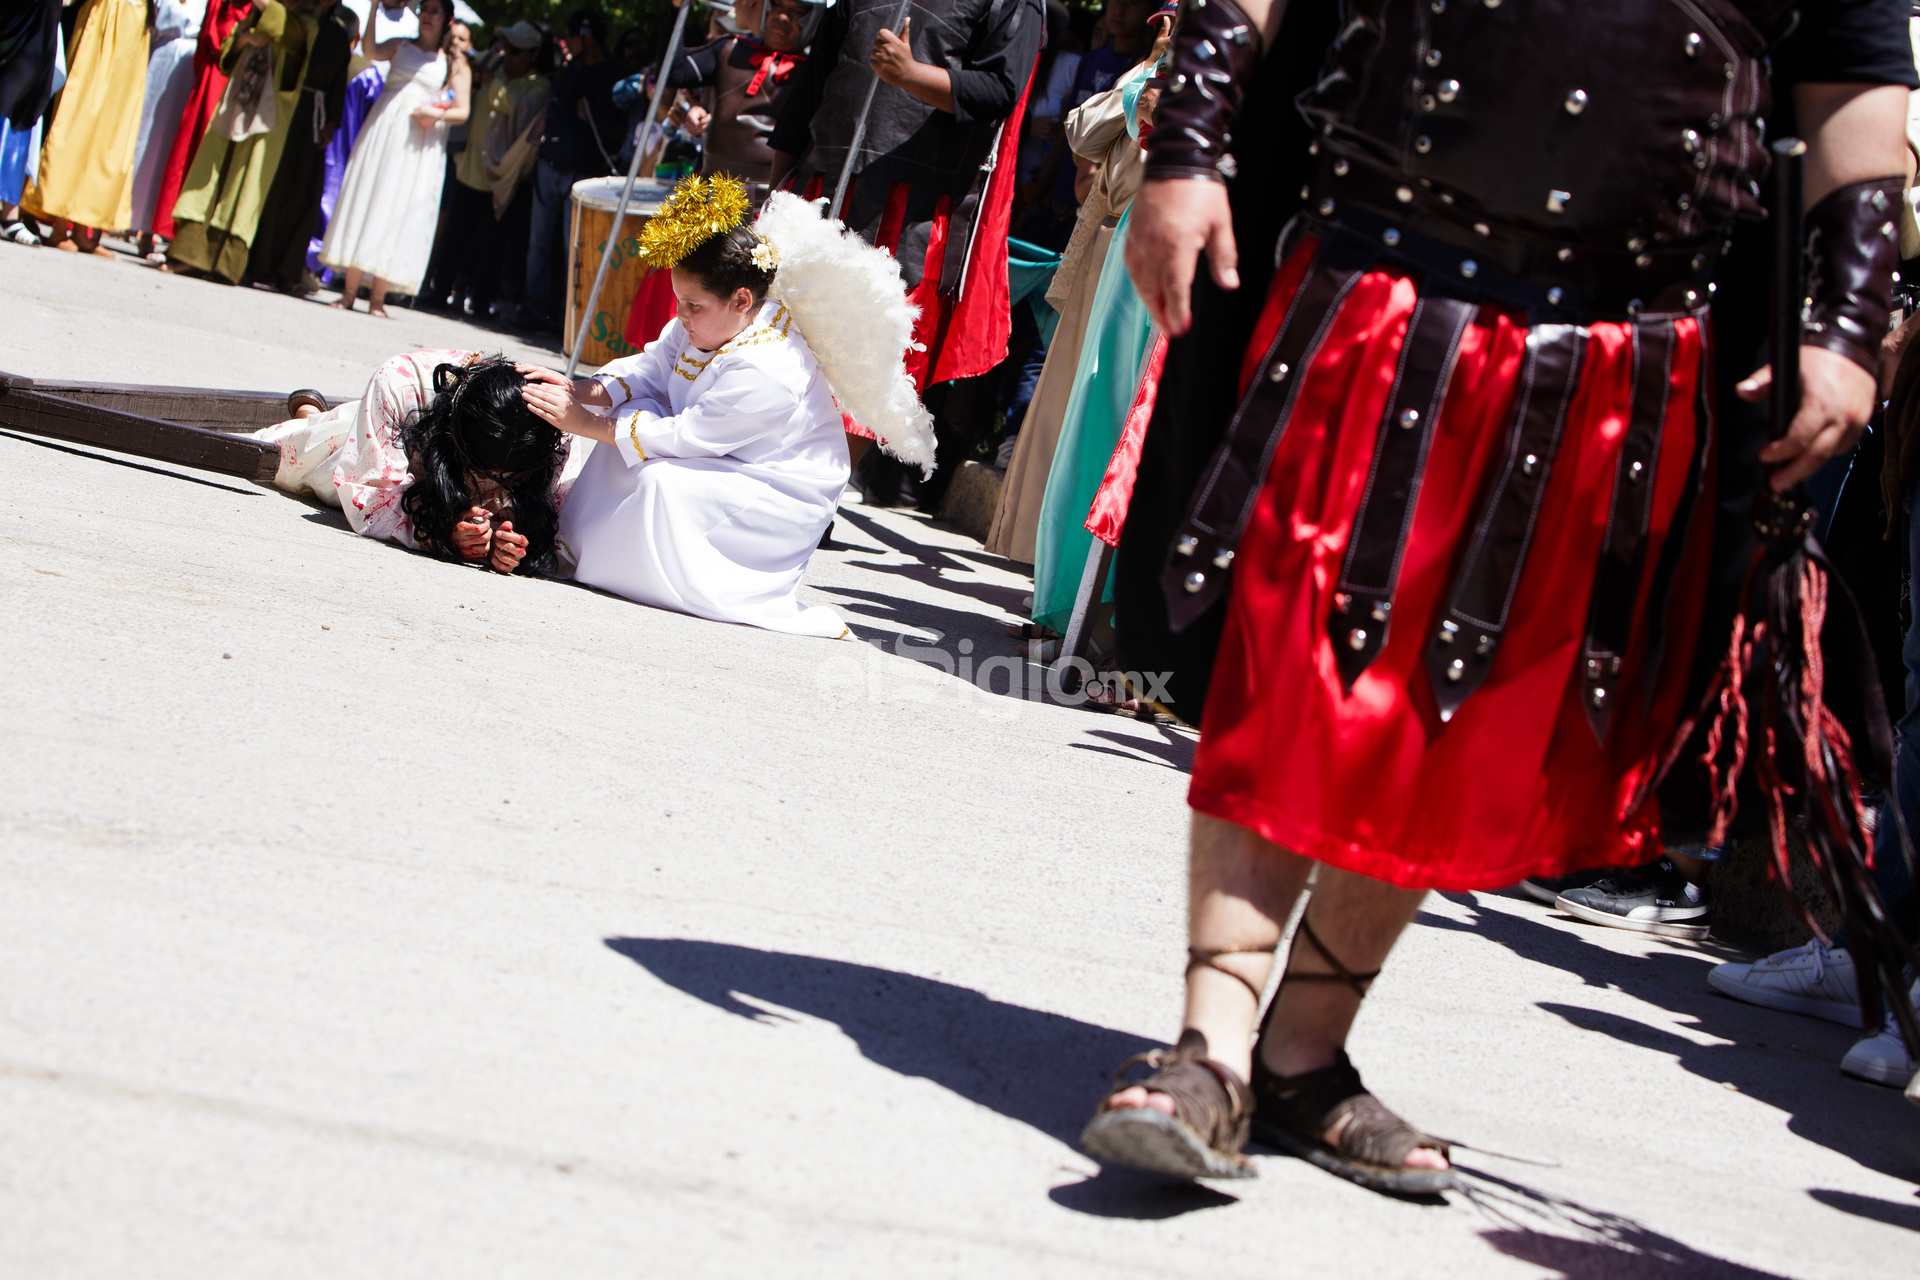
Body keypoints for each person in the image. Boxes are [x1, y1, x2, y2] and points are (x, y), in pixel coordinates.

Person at [1076, 0, 1915, 1189]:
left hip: (1625, 352)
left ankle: (1305, 1053)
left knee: (1456, 707)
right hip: (1381, 268)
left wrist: (1850, 319)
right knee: (1298, 651)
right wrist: (1189, 140)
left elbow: (1852, 82)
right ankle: (1210, 1047)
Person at [518, 175, 933, 636]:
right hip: (727, 455)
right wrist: (578, 391)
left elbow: (689, 436)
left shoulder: (770, 365)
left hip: (777, 487)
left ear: (741, 299)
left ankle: (619, 566)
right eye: (679, 301)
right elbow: (651, 369)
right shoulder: (712, 322)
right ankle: (575, 548)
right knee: (629, 433)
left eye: (692, 305)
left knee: (658, 482)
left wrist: (581, 422)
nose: (681, 315)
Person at [768, 0, 1045, 504]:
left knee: (865, 357)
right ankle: (761, 480)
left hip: (911, 208)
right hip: (823, 181)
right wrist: (775, 194)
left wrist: (911, 75)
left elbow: (1000, 90)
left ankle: (810, 501)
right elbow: (812, 85)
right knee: (784, 337)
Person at [987, 3, 1164, 566]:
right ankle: (1046, 566)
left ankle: (1083, 580)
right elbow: (1082, 131)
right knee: (1068, 399)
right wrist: (1149, 67)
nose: (1165, 34)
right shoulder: (1147, 75)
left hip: (1147, 253)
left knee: (1111, 406)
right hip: (1102, 248)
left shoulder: (1202, 88)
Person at [256, 352, 581, 573]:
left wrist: (515, 544)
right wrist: (439, 532)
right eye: (482, 470)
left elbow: (560, 529)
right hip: (393, 450)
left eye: (510, 476)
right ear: (454, 432)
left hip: (389, 436)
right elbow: (367, 495)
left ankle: (325, 416)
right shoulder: (401, 383)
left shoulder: (557, 428)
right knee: (307, 460)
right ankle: (310, 417)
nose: (491, 483)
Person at [320, 0, 470, 314]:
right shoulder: (400, 44)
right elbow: (370, 50)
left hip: (417, 140)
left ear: (447, 19)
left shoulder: (452, 61)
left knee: (398, 207)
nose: (427, 16)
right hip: (383, 128)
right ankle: (349, 292)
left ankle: (378, 297)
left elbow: (462, 110)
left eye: (435, 11)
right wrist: (375, 8)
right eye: (424, 9)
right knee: (367, 195)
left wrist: (435, 114)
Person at [165, 0, 321, 282]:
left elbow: (284, 28)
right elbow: (228, 51)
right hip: (234, 106)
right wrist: (245, 39)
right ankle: (190, 255)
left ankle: (225, 265)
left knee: (244, 187)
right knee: (210, 178)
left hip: (267, 120)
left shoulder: (304, 26)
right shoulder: (260, 15)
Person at [421, 18, 548, 317]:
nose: (508, 54)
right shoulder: (493, 66)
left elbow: (524, 109)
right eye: (506, 46)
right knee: (455, 233)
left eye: (516, 51)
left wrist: (492, 85)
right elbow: (464, 59)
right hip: (469, 167)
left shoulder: (539, 85)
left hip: (502, 177)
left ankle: (479, 303)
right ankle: (440, 291)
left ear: (533, 54)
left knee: (492, 243)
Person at [518, 8, 623, 333]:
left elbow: (618, 131)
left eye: (572, 35)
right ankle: (534, 309)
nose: (567, 41)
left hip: (583, 175)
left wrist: (590, 117)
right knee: (538, 244)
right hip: (551, 164)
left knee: (573, 250)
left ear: (586, 37)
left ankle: (567, 320)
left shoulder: (613, 77)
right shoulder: (569, 70)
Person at [21, 0, 150, 255]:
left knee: (112, 130)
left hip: (135, 27)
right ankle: (59, 226)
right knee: (80, 117)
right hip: (104, 17)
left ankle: (84, 228)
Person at [244, 0, 353, 291]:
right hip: (282, 108)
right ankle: (253, 261)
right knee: (271, 184)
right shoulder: (295, 19)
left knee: (302, 192)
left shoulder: (337, 33)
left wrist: (331, 121)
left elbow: (338, 80)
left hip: (313, 118)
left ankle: (286, 270)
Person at [148, 0, 258, 240]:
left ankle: (182, 234)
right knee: (193, 151)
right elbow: (217, 34)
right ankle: (169, 229)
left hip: (227, 77)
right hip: (217, 75)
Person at [127, 0, 202, 259]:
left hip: (192, 65)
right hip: (163, 57)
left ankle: (151, 230)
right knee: (146, 138)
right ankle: (124, 216)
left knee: (171, 149)